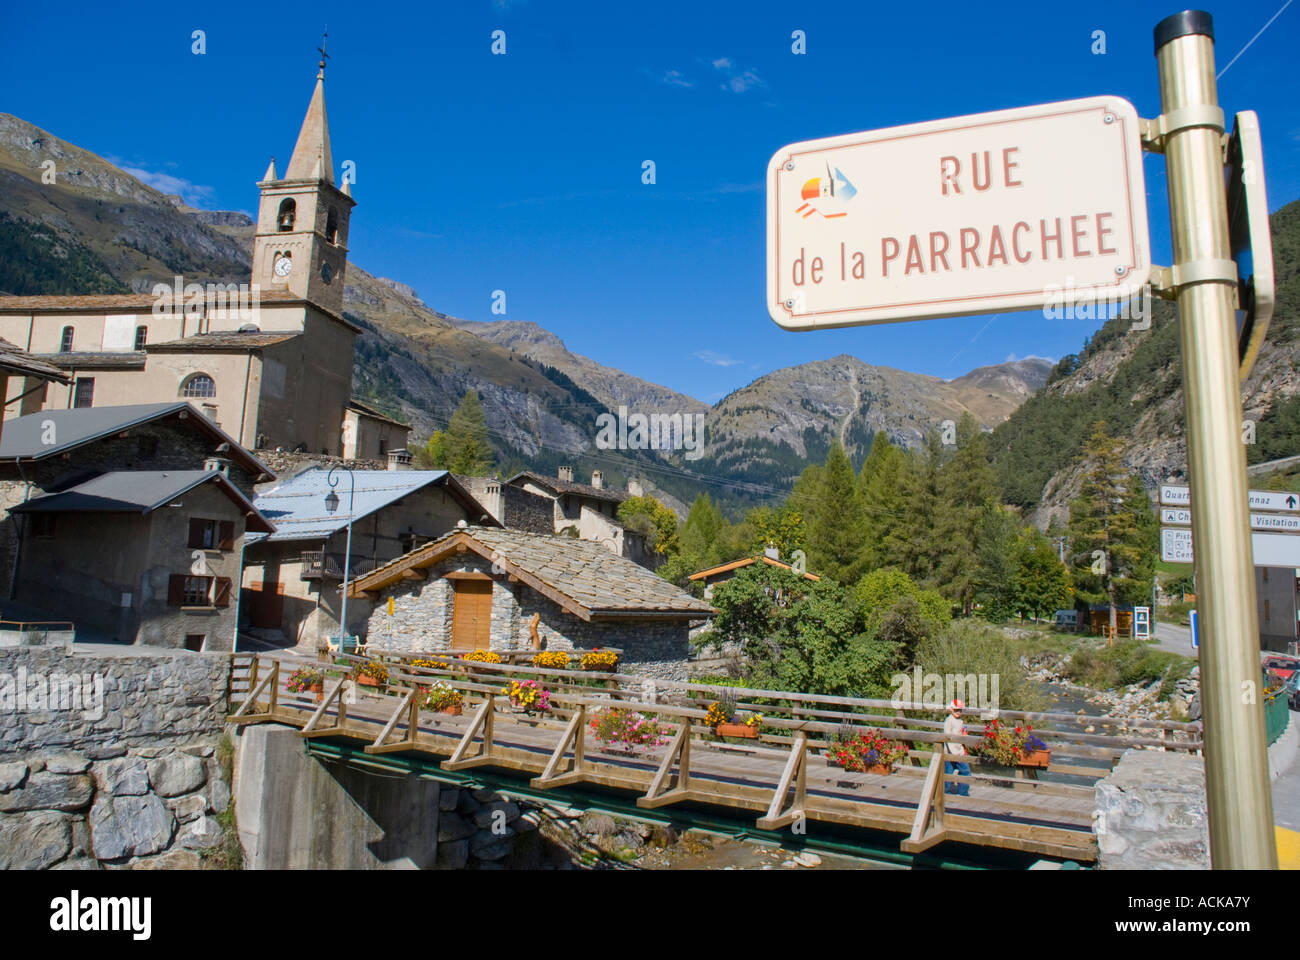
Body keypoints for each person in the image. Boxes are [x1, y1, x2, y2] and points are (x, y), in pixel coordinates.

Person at [943, 698, 970, 796]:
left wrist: (964, 736)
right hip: (951, 751)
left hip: (959, 749)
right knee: (949, 773)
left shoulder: (960, 721)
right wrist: (955, 752)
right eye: (956, 710)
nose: (958, 712)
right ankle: (946, 792)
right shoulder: (949, 721)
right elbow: (947, 736)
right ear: (951, 709)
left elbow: (961, 733)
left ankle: (963, 792)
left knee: (964, 771)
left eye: (960, 710)